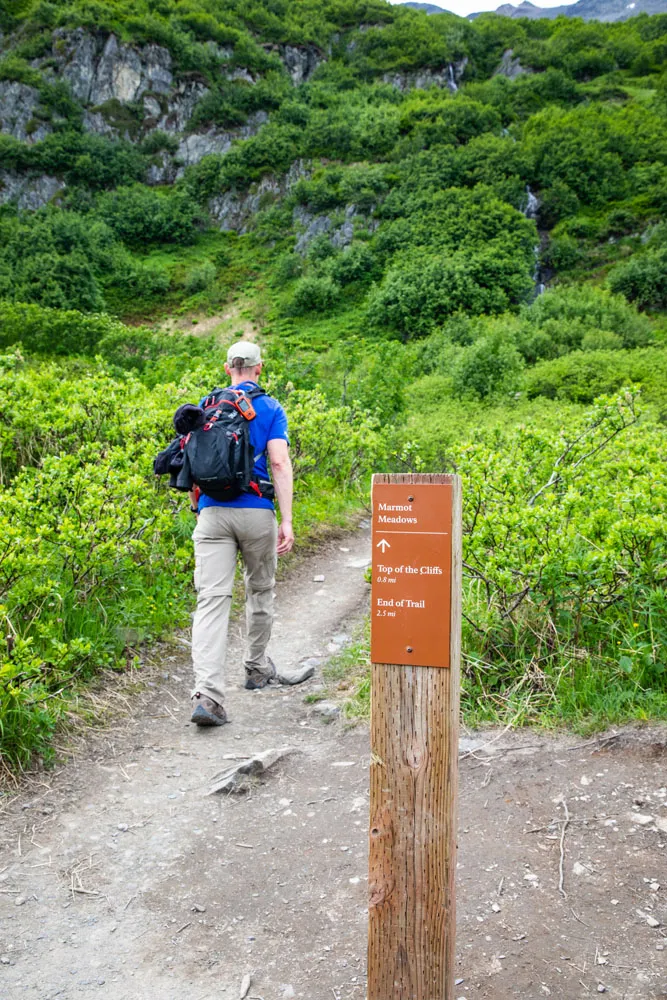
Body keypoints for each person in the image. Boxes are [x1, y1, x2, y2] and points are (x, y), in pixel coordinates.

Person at [189, 341, 294, 727]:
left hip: (211, 512)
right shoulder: (269, 407)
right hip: (255, 513)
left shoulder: (207, 404)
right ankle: (256, 669)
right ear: (259, 369)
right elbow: (279, 462)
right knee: (260, 590)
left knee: (212, 602)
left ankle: (208, 696)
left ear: (227, 368)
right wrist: (287, 519)